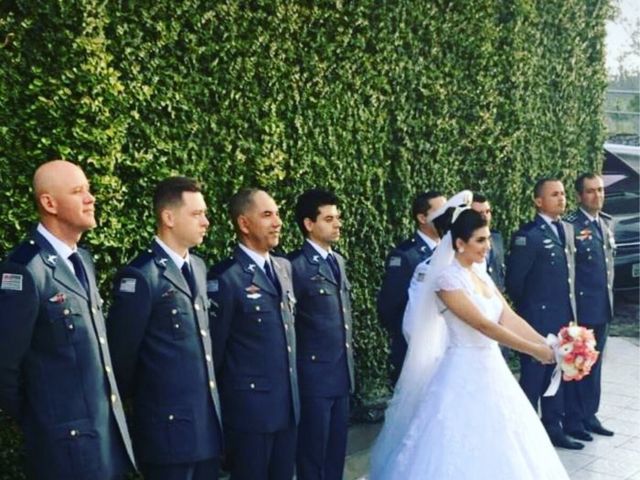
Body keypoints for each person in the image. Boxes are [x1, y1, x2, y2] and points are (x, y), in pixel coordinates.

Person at [370, 207, 569, 479]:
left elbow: (507, 316)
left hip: (493, 368)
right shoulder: (446, 280)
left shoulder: (481, 273)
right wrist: (534, 351)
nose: (487, 246)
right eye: (480, 240)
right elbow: (483, 325)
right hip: (461, 369)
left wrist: (550, 344)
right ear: (460, 244)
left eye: (487, 238)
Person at [0, 160, 135, 480]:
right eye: (78, 191)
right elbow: (4, 365)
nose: (91, 198)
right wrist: (46, 420)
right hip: (63, 451)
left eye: (88, 190)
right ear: (49, 203)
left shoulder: (82, 260)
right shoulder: (25, 269)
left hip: (103, 441)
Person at [107, 177, 223, 480]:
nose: (206, 222)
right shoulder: (141, 276)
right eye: (196, 214)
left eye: (205, 213)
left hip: (205, 428)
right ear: (168, 217)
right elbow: (121, 357)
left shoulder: (197, 267)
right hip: (166, 433)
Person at [207, 188, 299, 480]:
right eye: (267, 215)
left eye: (278, 214)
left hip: (288, 407)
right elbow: (216, 353)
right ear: (244, 224)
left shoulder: (283, 268)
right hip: (250, 416)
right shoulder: (226, 277)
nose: (278, 222)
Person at [506, 178, 580, 449]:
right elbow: (515, 282)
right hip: (537, 321)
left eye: (562, 194)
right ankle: (524, 431)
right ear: (538, 201)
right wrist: (532, 314)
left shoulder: (566, 229)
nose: (561, 199)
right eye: (554, 195)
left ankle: (553, 427)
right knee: (534, 378)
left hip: (563, 319)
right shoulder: (529, 235)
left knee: (557, 374)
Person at [288, 189, 354, 480]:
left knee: (336, 454)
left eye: (337, 218)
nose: (337, 224)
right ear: (308, 224)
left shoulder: (337, 261)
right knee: (312, 455)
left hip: (341, 375)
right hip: (313, 378)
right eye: (329, 219)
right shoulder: (295, 266)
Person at [563, 173, 616, 439]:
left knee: (594, 366)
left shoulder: (606, 224)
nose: (598, 195)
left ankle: (589, 414)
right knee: (576, 365)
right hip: (581, 310)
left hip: (602, 308)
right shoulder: (570, 225)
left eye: (600, 190)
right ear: (579, 196)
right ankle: (572, 419)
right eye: (591, 191)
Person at [377, 191, 446, 384]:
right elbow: (390, 307)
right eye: (441, 211)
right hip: (413, 350)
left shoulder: (451, 251)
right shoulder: (405, 255)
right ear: (422, 218)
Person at [471, 192, 506, 291]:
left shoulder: (496, 238)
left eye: (487, 211)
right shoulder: (461, 244)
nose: (485, 216)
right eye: (479, 213)